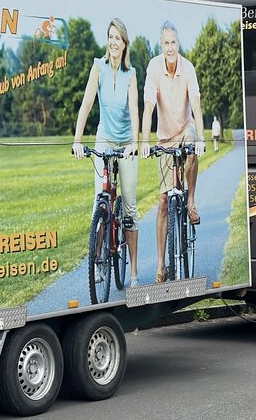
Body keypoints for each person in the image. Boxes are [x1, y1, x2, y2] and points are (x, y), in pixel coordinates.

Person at [72, 18, 141, 288]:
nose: (114, 42)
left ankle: (133, 272)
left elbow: (134, 111)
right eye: (111, 36)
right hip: (104, 139)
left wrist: (135, 142)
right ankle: (99, 259)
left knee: (129, 208)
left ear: (125, 44)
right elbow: (87, 103)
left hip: (125, 144)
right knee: (99, 199)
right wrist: (78, 139)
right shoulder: (98, 67)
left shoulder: (131, 74)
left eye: (118, 38)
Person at [140, 21, 205, 283]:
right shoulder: (153, 67)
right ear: (161, 44)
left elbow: (197, 107)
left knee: (192, 151)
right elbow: (148, 107)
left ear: (179, 44)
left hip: (186, 128)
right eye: (166, 43)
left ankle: (190, 202)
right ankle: (160, 266)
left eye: (174, 43)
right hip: (165, 138)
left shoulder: (187, 68)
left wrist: (200, 137)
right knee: (164, 202)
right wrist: (145, 141)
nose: (170, 47)